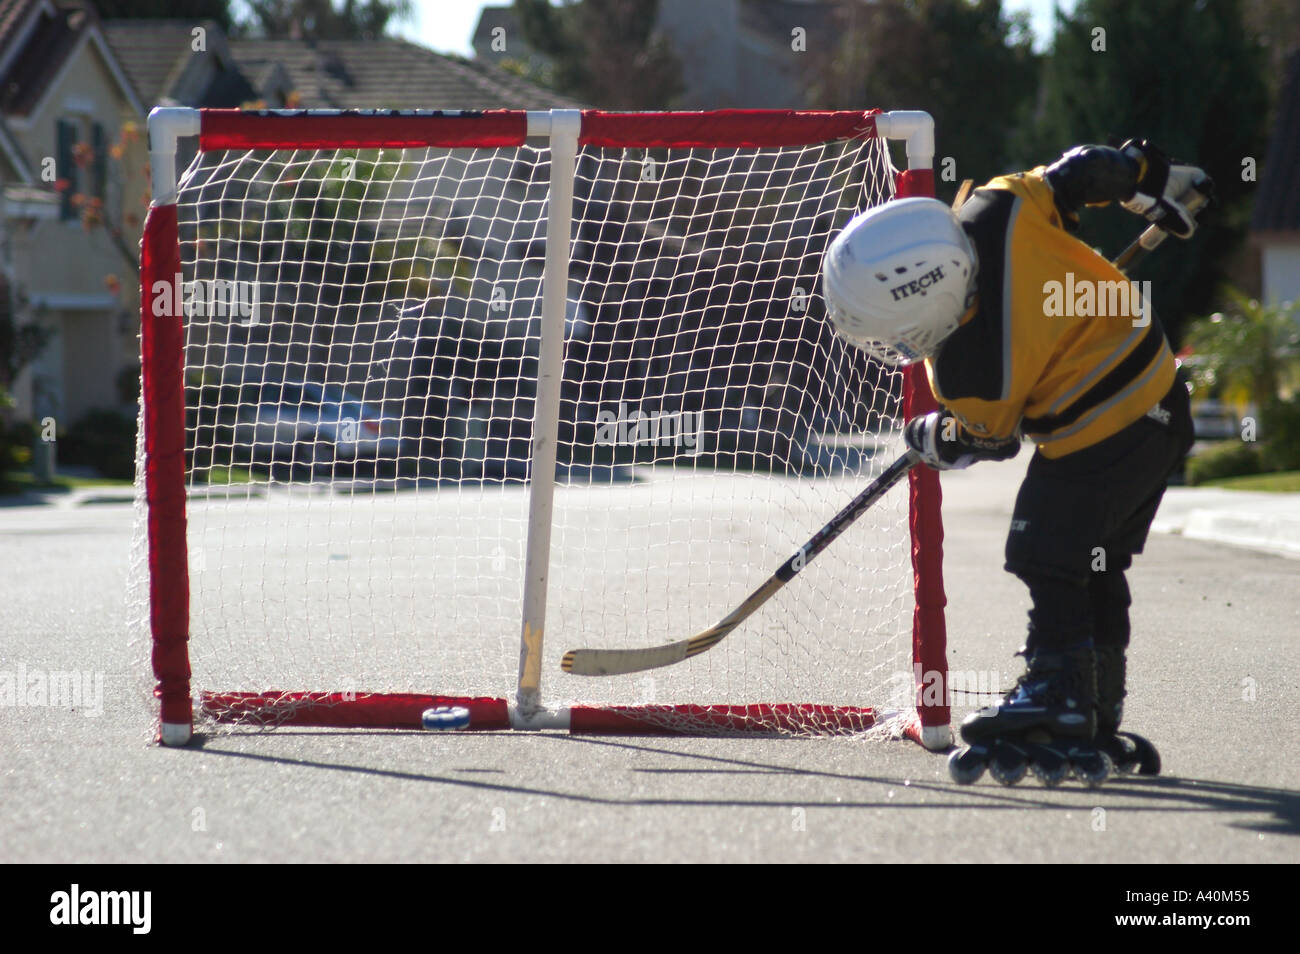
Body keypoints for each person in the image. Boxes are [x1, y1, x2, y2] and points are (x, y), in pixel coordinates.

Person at [822, 140, 1210, 786]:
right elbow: (1080, 172)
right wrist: (1155, 182)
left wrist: (929, 436)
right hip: (1162, 406)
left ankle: (1058, 693)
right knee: (1096, 559)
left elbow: (987, 439)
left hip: (1102, 433)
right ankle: (1092, 702)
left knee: (1043, 550)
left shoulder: (967, 371)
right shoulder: (997, 207)